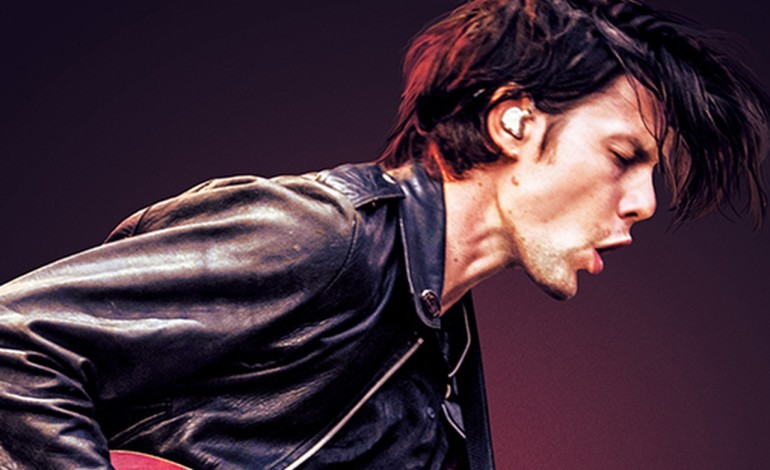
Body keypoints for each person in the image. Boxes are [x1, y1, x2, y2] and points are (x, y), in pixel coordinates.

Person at [0, 0, 767, 468]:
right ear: (514, 122)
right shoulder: (323, 236)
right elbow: (16, 343)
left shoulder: (438, 353)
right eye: (624, 157)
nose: (644, 203)